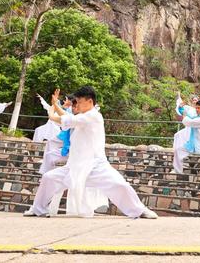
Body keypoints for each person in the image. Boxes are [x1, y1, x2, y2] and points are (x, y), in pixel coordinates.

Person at [24, 86, 157, 219]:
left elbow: (68, 119)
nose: (78, 105)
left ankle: (140, 210)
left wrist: (53, 113)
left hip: (96, 166)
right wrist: (54, 105)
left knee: (120, 184)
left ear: (90, 101)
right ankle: (37, 209)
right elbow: (69, 118)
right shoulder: (83, 117)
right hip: (75, 167)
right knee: (49, 178)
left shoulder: (94, 116)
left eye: (80, 102)